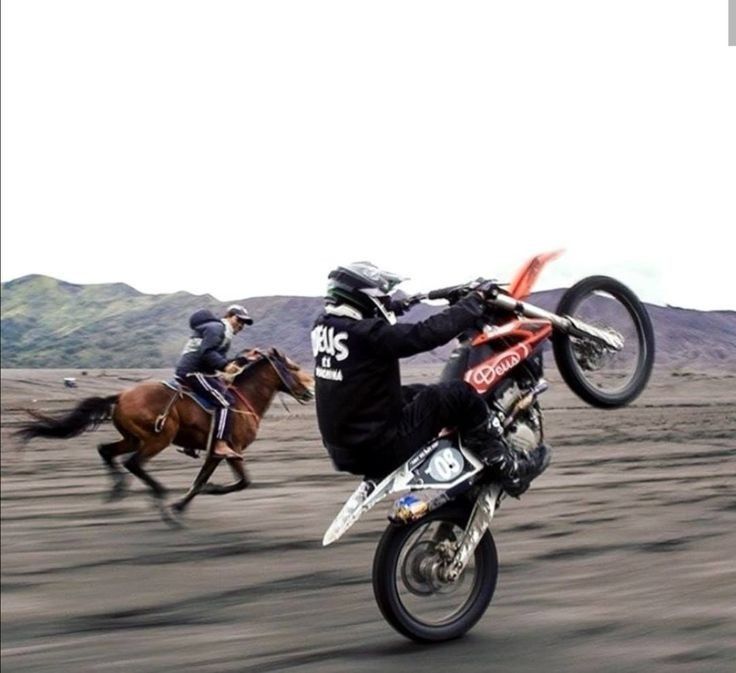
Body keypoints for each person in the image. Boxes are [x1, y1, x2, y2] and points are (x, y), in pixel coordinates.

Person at [311, 262, 550, 496]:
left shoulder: (324, 327)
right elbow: (424, 334)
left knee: (418, 392)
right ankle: (507, 467)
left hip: (345, 448)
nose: (384, 300)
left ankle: (463, 447)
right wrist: (474, 301)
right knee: (459, 394)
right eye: (382, 296)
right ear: (364, 297)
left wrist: (402, 304)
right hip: (380, 449)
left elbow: (374, 319)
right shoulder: (369, 335)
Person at [175, 304, 253, 459]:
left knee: (214, 397)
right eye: (239, 320)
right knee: (226, 402)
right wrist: (225, 366)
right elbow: (207, 352)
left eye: (244, 323)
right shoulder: (217, 328)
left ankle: (190, 443)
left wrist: (244, 359)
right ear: (230, 316)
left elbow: (217, 358)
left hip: (200, 371)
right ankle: (220, 445)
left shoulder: (220, 331)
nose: (241, 325)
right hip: (194, 372)